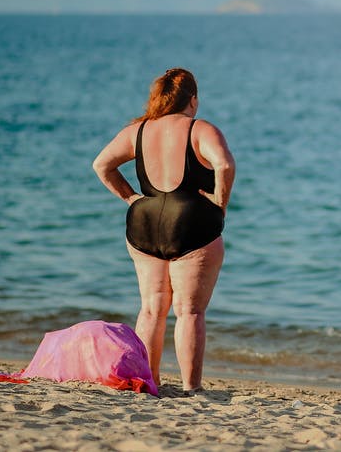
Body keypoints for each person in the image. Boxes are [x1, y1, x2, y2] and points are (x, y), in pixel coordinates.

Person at [92, 67, 235, 392]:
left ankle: (149, 382)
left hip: (145, 221)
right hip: (191, 222)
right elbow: (224, 164)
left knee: (152, 308)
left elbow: (102, 164)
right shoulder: (200, 129)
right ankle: (190, 388)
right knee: (189, 311)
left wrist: (131, 198)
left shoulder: (138, 130)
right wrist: (219, 202)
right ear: (193, 100)